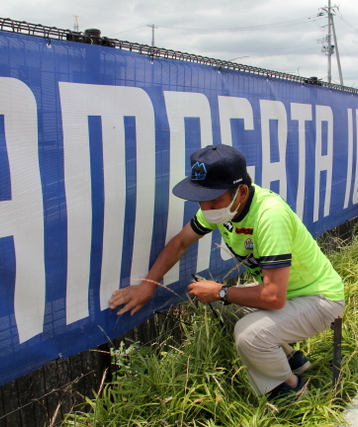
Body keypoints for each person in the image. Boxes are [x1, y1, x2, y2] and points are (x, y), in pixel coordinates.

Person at [108, 144, 345, 401]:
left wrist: (220, 291)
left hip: (320, 300)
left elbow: (273, 297)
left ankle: (292, 390)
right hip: (289, 295)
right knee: (227, 307)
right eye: (200, 200)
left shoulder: (269, 215)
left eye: (213, 201)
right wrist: (148, 285)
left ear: (241, 192)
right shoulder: (221, 207)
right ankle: (291, 358)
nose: (205, 208)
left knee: (248, 335)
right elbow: (180, 242)